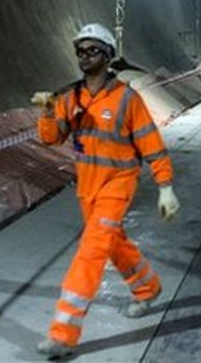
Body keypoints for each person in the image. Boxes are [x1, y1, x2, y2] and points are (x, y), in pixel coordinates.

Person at [30, 22, 181, 359]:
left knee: (92, 250)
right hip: (87, 185)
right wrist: (47, 110)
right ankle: (147, 288)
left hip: (119, 182)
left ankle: (63, 333)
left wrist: (165, 186)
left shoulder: (127, 99)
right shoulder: (71, 97)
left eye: (92, 50)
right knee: (114, 244)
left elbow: (152, 144)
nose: (85, 57)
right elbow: (50, 138)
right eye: (80, 51)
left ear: (108, 55)